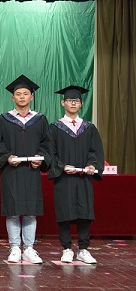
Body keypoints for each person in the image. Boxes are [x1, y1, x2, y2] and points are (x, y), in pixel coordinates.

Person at [0, 75, 52, 264]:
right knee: (13, 209)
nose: (22, 97)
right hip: (11, 171)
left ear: (31, 97)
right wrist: (6, 157)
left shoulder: (40, 120)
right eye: (18, 94)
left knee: (30, 210)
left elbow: (47, 144)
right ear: (13, 97)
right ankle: (15, 248)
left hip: (31, 171)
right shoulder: (3, 120)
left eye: (25, 93)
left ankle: (29, 248)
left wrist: (41, 158)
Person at [48, 86, 104, 264]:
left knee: (84, 213)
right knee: (64, 212)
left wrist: (92, 165)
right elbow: (50, 152)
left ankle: (83, 249)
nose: (73, 103)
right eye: (70, 101)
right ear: (63, 103)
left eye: (76, 101)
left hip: (83, 178)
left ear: (81, 104)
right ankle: (66, 249)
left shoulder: (89, 128)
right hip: (64, 178)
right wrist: (62, 166)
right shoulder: (55, 128)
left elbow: (95, 151)